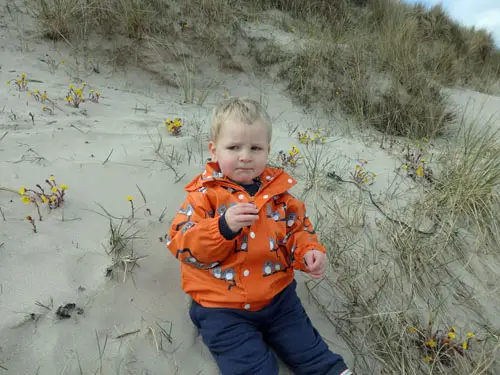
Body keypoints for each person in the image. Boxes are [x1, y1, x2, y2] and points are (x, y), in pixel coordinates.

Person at [166, 97, 353, 375]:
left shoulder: (281, 198)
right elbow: (181, 244)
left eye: (255, 148)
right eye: (234, 147)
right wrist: (221, 228)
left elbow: (298, 230)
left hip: (279, 300)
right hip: (221, 307)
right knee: (254, 368)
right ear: (214, 150)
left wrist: (308, 253)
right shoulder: (204, 197)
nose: (245, 156)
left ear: (267, 151)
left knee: (312, 354)